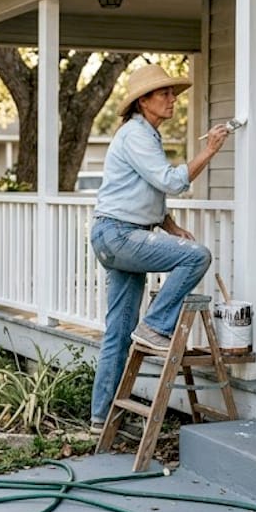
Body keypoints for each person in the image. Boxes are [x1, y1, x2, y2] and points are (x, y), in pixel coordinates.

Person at [88, 63, 231, 433]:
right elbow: (170, 181)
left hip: (117, 234)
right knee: (197, 256)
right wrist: (211, 150)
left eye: (173, 94)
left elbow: (144, 190)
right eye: (164, 94)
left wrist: (169, 225)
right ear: (143, 100)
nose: (172, 100)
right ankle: (155, 325)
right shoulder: (136, 134)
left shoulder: (144, 134)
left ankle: (102, 418)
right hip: (120, 235)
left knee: (118, 331)